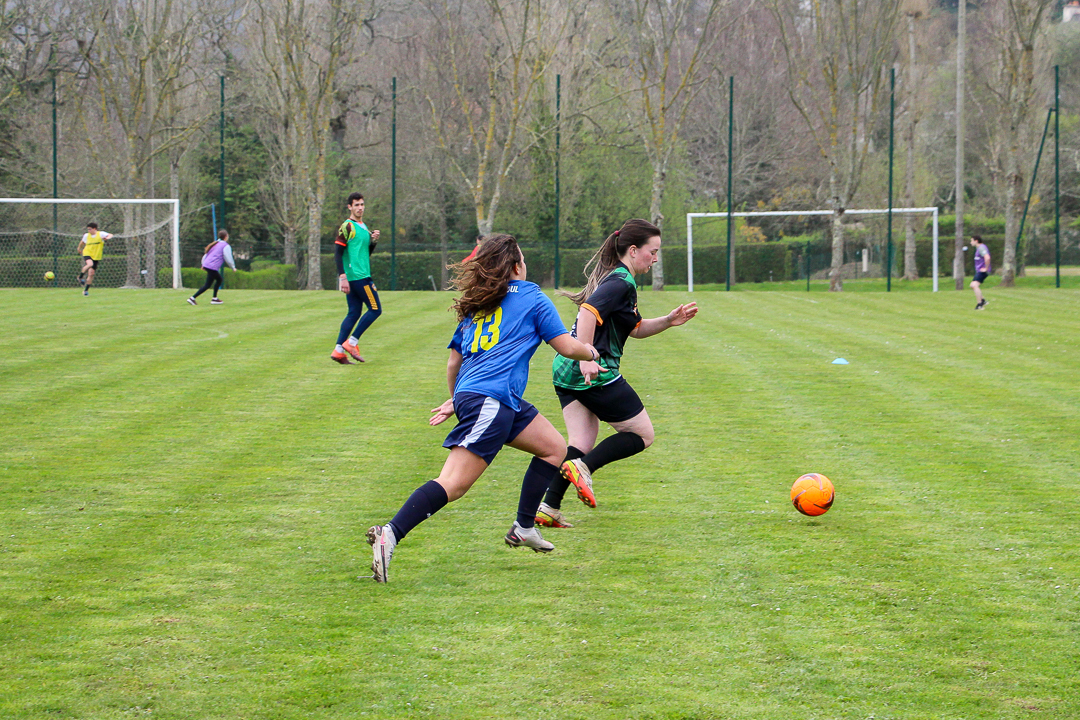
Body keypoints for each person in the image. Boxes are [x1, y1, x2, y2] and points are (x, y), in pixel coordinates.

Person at [365, 234, 600, 583]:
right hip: (492, 400)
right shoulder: (533, 296)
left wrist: (458, 399)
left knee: (554, 448)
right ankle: (391, 533)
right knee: (453, 484)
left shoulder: (480, 303)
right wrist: (592, 352)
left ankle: (524, 527)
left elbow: (452, 364)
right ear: (518, 265)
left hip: (494, 398)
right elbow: (566, 347)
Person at [535, 218, 698, 529]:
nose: (655, 258)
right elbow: (587, 312)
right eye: (653, 251)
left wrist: (668, 320)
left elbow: (634, 328)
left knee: (582, 439)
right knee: (641, 434)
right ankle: (584, 468)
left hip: (565, 369)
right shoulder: (620, 281)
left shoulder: (622, 280)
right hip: (590, 369)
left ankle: (548, 507)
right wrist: (585, 356)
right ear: (634, 250)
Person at [331, 192, 382, 365]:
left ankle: (338, 351)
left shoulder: (362, 226)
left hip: (359, 274)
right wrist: (342, 277)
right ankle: (351, 343)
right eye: (356, 205)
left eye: (362, 204)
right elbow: (338, 253)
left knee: (353, 313)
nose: (360, 208)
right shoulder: (347, 226)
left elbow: (364, 254)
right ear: (349, 207)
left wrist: (373, 241)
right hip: (358, 277)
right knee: (375, 309)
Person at [187, 230, 236, 305]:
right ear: (226, 237)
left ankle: (213, 298)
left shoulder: (215, 244)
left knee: (213, 282)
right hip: (212, 266)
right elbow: (228, 257)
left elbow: (206, 254)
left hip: (208, 265)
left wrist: (203, 264)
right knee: (215, 281)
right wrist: (233, 267)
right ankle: (193, 298)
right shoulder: (225, 246)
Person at [76, 222, 113, 297]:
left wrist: (107, 238)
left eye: (90, 229)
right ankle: (80, 277)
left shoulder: (101, 234)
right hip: (87, 252)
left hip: (96, 255)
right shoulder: (86, 235)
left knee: (91, 274)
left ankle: (86, 290)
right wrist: (79, 248)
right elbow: (82, 242)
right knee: (90, 264)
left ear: (94, 229)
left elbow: (110, 235)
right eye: (88, 229)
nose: (89, 231)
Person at [970, 235, 990, 310]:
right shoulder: (979, 248)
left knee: (974, 285)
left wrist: (986, 268)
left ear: (976, 241)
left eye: (972, 241)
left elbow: (987, 257)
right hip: (979, 271)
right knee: (972, 285)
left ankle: (980, 304)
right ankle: (983, 300)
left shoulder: (981, 248)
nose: (971, 242)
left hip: (982, 271)